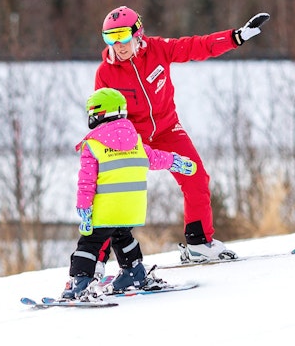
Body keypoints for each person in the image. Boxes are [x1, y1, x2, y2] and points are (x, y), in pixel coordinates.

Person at [95, 6, 270, 261]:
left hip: (168, 130)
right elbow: (103, 118)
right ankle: (95, 263)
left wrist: (235, 37)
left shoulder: (157, 50)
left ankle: (199, 243)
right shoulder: (105, 73)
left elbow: (195, 46)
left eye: (122, 36)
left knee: (196, 176)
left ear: (138, 34)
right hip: (132, 139)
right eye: (110, 38)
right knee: (114, 194)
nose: (118, 45)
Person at [62, 88, 197, 299]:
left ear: (99, 114)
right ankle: (134, 273)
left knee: (89, 242)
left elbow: (86, 181)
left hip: (106, 209)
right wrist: (176, 161)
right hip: (131, 209)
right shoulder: (136, 143)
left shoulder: (93, 145)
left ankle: (80, 282)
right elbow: (156, 158)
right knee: (122, 235)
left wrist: (85, 208)